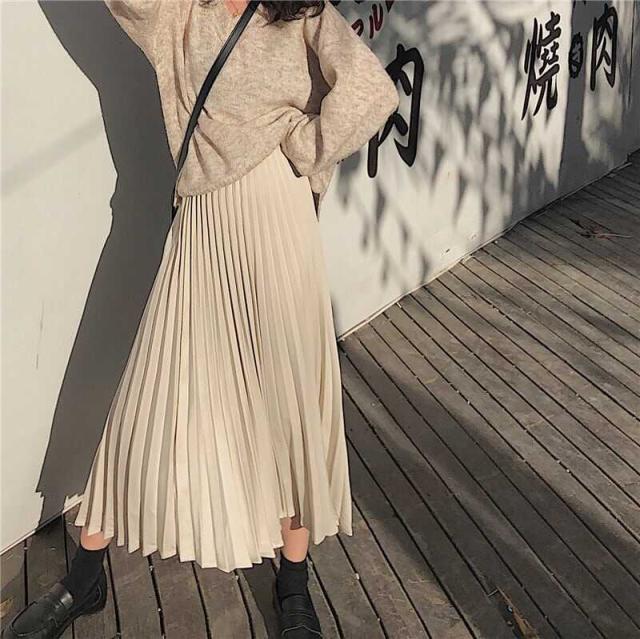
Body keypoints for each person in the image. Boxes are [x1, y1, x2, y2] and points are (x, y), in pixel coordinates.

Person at [2, 1, 399, 637]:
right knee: (150, 394)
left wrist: (305, 146)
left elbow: (371, 90)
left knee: (289, 399)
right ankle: (85, 577)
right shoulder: (178, 13)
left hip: (280, 217)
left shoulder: (301, 11)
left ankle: (294, 583)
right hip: (205, 219)